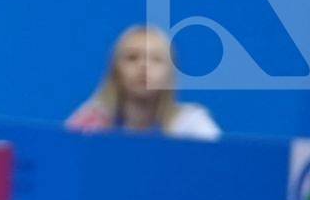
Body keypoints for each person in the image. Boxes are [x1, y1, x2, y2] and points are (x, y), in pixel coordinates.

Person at [66, 25, 222, 139]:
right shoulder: (90, 124)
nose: (144, 67)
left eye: (156, 59)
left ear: (169, 73)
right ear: (115, 71)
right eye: (132, 57)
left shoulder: (190, 126)